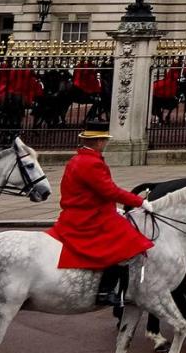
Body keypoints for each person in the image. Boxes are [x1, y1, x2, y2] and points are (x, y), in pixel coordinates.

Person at [46, 121, 154, 307]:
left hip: (80, 210)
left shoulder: (76, 159)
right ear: (98, 142)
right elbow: (109, 190)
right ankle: (105, 290)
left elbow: (92, 192)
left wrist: (113, 208)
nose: (105, 143)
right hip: (89, 216)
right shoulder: (92, 163)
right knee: (128, 242)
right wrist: (139, 201)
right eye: (104, 140)